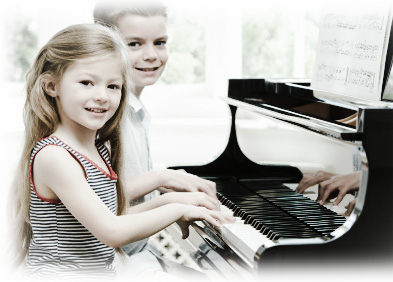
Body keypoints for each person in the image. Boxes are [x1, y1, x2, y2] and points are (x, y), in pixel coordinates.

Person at [0, 23, 233, 282]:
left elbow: (111, 216)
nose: (102, 96)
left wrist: (173, 202)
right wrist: (176, 211)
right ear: (51, 86)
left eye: (113, 86)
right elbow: (112, 231)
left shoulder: (95, 148)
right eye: (87, 82)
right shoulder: (54, 155)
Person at [93, 1, 225, 281]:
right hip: (109, 261)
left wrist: (169, 188)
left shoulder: (136, 109)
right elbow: (103, 204)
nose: (151, 55)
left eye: (160, 42)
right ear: (103, 43)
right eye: (134, 44)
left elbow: (121, 190)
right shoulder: (101, 114)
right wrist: (169, 196)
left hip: (136, 251)